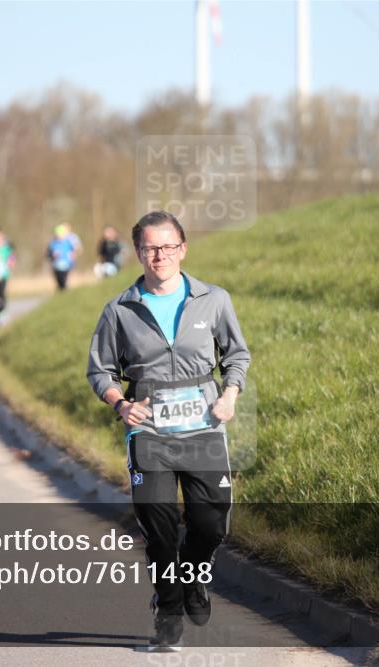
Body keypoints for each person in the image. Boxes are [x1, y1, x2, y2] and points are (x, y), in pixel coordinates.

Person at [87, 210, 250, 652]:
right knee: (158, 528)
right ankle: (169, 609)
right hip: (150, 435)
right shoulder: (120, 310)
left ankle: (195, 579)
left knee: (210, 521)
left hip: (203, 429)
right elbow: (99, 370)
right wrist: (120, 404)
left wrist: (230, 394)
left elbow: (237, 356)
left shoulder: (213, 299)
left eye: (168, 246)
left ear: (183, 249)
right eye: (150, 248)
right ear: (138, 252)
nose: (159, 255)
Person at [46, 224, 78, 290]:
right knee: (59, 283)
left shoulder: (68, 242)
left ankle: (65, 293)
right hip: (56, 266)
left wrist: (73, 256)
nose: (59, 236)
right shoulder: (53, 243)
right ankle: (61, 294)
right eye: (57, 234)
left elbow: (74, 252)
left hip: (66, 265)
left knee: (64, 282)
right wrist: (53, 255)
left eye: (60, 234)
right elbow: (48, 254)